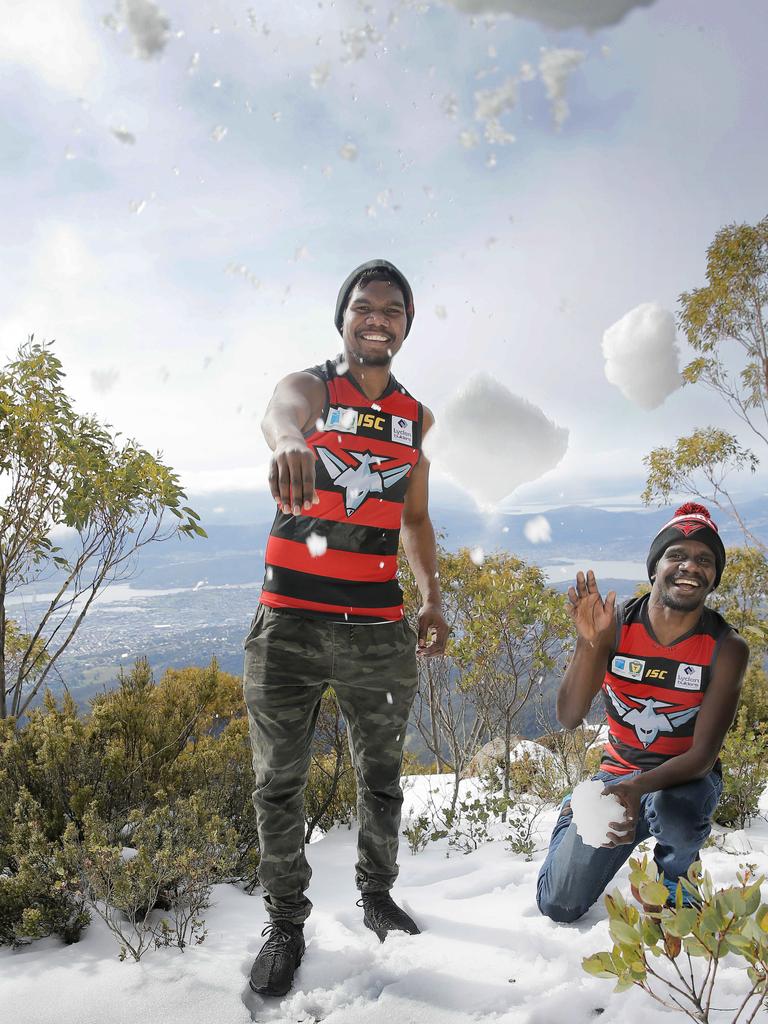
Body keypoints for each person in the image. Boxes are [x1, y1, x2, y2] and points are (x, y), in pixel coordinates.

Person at [243, 259, 449, 997]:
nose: (378, 318)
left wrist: (429, 597)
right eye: (365, 306)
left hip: (377, 627)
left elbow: (416, 516)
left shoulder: (415, 417)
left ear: (406, 325)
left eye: (393, 310)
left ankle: (376, 892)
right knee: (278, 781)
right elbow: (279, 411)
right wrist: (289, 444)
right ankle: (285, 921)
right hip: (290, 621)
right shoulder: (314, 388)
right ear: (343, 317)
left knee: (383, 775)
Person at [536, 502, 749, 923]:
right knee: (559, 905)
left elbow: (703, 757)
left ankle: (676, 873)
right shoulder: (616, 624)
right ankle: (575, 810)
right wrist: (589, 643)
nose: (690, 566)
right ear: (655, 568)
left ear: (713, 578)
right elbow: (569, 717)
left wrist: (638, 788)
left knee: (677, 813)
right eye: (677, 555)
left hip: (684, 780)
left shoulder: (726, 648)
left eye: (704, 560)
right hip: (616, 775)